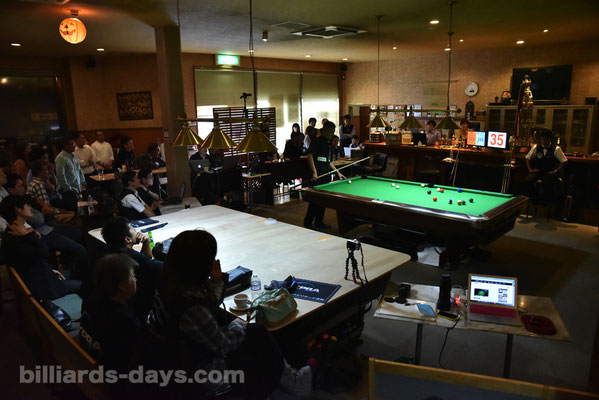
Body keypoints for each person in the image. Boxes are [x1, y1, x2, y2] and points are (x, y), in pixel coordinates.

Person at [148, 230, 311, 399]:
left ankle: (285, 381)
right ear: (200, 266)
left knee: (255, 332)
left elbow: (208, 307)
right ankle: (294, 383)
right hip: (206, 373)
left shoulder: (168, 286)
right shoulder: (192, 308)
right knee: (259, 333)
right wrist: (238, 325)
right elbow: (224, 345)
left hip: (181, 361)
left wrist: (217, 280)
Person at [0, 195, 82, 300]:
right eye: (27, 204)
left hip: (43, 275)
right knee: (86, 284)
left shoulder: (16, 232)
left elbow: (34, 259)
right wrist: (31, 236)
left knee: (71, 258)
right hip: (44, 287)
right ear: (18, 209)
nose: (30, 207)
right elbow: (44, 252)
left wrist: (51, 270)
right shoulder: (16, 238)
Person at [80, 254, 140, 373]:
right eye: (133, 276)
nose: (136, 279)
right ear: (122, 286)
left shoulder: (90, 299)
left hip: (86, 354)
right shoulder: (126, 321)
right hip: (108, 375)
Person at [101, 216, 163, 320]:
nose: (136, 231)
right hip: (134, 307)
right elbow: (158, 267)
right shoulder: (127, 255)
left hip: (113, 306)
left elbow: (144, 262)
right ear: (127, 239)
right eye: (133, 229)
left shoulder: (109, 253)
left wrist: (146, 242)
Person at [304, 121, 345, 229]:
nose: (331, 133)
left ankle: (319, 222)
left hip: (326, 176)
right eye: (330, 131)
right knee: (315, 201)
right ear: (324, 130)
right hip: (317, 176)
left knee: (323, 201)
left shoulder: (329, 144)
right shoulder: (316, 141)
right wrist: (314, 172)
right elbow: (309, 156)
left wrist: (338, 172)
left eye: (333, 131)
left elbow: (328, 161)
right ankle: (307, 223)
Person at [523, 128, 568, 203]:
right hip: (538, 171)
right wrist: (530, 170)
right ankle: (534, 200)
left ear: (549, 139)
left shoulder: (556, 149)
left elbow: (564, 161)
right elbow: (527, 158)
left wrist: (555, 171)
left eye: (545, 139)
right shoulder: (536, 147)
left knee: (548, 185)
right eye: (542, 139)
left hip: (549, 173)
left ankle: (545, 203)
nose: (543, 141)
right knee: (528, 181)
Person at [55, 137, 87, 211]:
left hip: (77, 188)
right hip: (67, 190)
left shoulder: (74, 156)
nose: (74, 146)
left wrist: (83, 181)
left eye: (74, 144)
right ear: (65, 146)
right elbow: (60, 175)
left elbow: (79, 170)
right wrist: (68, 187)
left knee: (80, 209)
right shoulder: (61, 157)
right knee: (72, 210)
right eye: (72, 144)